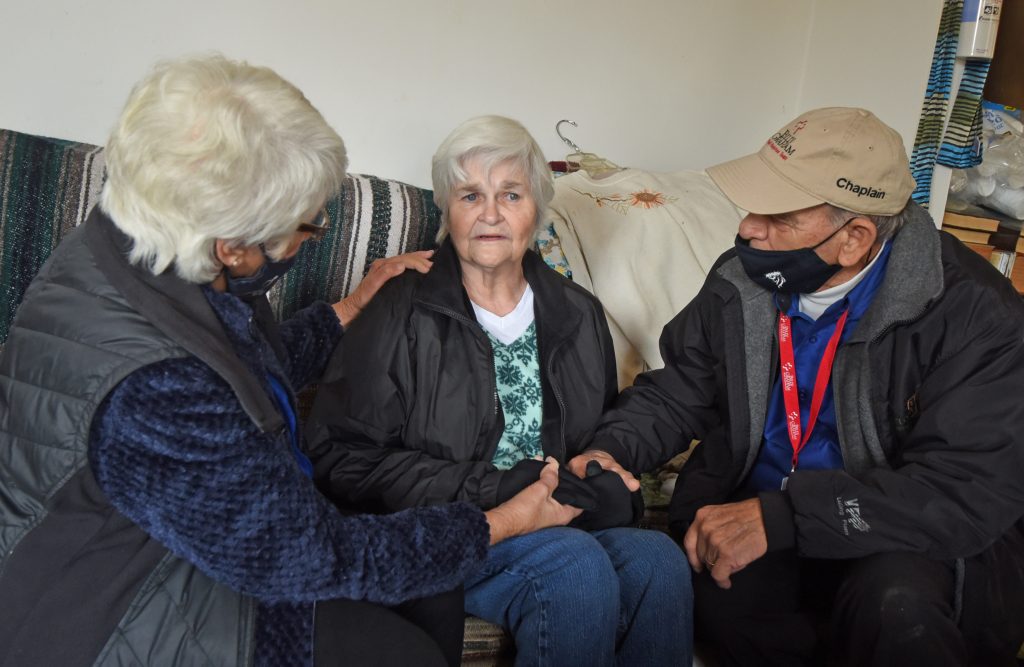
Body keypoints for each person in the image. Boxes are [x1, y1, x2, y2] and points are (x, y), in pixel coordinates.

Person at [0, 56, 581, 667]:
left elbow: (237, 371)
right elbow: (303, 555)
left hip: (173, 546)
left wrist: (347, 310)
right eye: (309, 223)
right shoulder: (156, 386)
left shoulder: (135, 246)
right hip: (111, 611)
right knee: (401, 653)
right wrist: (500, 523)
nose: (314, 234)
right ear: (230, 246)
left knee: (432, 589)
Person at [575, 107, 1024, 666]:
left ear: (854, 238)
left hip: (894, 536)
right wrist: (608, 450)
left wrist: (785, 516)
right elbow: (681, 388)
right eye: (752, 207)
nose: (747, 228)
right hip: (758, 519)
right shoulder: (743, 278)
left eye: (778, 216)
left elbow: (963, 491)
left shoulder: (978, 317)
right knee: (714, 594)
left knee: (895, 606)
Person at [306, 115, 692, 667]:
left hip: (553, 516)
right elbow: (340, 457)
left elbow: (591, 437)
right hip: (452, 527)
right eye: (470, 195)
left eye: (510, 194)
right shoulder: (400, 306)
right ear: (447, 211)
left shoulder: (576, 312)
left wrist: (599, 472)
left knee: (658, 561)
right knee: (572, 564)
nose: (490, 213)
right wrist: (494, 487)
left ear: (536, 208)